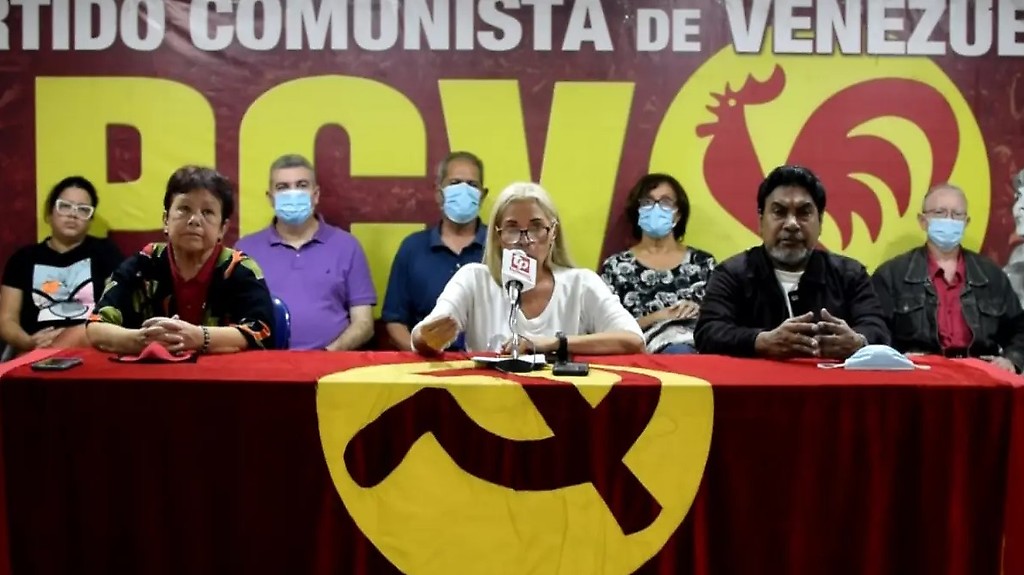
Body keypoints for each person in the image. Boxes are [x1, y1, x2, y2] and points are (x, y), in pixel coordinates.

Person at [411, 182, 645, 356]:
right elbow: (424, 335)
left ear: (553, 232)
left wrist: (551, 343)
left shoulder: (581, 283)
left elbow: (634, 340)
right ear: (498, 237)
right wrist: (425, 339)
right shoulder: (474, 279)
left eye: (536, 228)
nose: (525, 240)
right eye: (512, 229)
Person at [694, 165, 889, 359]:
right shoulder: (732, 274)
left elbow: (878, 329)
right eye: (779, 212)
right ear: (761, 221)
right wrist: (760, 341)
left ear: (820, 222)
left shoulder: (850, 275)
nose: (792, 224)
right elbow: (708, 332)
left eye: (804, 213)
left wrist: (858, 341)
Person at [86, 166, 274, 354]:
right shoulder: (145, 263)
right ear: (166, 220)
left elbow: (262, 331)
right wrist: (140, 340)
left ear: (222, 229)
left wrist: (200, 337)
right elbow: (96, 326)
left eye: (207, 212)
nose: (194, 220)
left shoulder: (239, 268)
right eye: (184, 209)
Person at [873, 183, 1024, 373]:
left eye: (957, 214)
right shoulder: (891, 275)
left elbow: (1019, 330)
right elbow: (874, 330)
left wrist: (1012, 360)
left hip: (980, 375)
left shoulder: (991, 275)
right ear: (922, 221)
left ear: (966, 222)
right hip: (916, 375)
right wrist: (895, 358)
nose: (949, 220)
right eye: (940, 213)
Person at [236, 154, 376, 350]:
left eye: (301, 185)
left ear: (315, 194)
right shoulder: (245, 250)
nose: (293, 193)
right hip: (264, 363)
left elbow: (364, 323)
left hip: (332, 363)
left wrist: (327, 356)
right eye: (283, 187)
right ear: (270, 198)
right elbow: (231, 319)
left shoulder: (347, 246)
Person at [0, 176, 124, 356]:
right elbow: (6, 320)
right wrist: (28, 342)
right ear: (50, 212)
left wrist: (73, 337)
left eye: (83, 210)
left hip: (91, 347)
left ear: (90, 220)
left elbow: (116, 306)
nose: (73, 214)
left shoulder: (105, 252)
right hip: (34, 351)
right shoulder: (23, 259)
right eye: (65, 206)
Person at [382, 151, 488, 351]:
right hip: (427, 363)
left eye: (472, 185)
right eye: (455, 183)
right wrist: (419, 352)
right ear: (439, 193)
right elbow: (395, 321)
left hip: (487, 363)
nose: (464, 190)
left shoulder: (501, 248)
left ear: (483, 195)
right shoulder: (412, 248)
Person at [600, 174, 716, 354]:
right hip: (646, 354)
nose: (656, 208)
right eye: (648, 202)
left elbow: (724, 319)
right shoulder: (616, 267)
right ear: (638, 210)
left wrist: (697, 311)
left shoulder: (703, 264)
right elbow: (606, 331)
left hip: (701, 348)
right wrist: (659, 317)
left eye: (665, 202)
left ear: (678, 213)